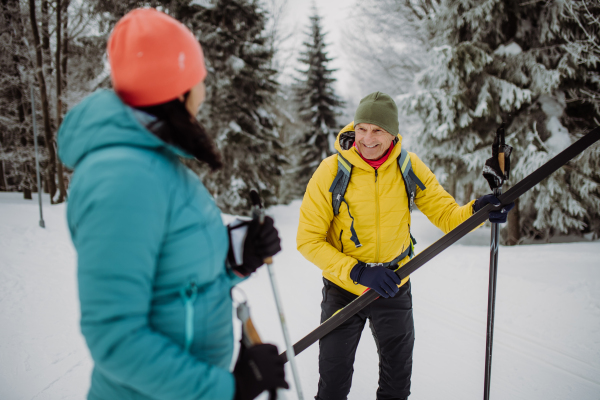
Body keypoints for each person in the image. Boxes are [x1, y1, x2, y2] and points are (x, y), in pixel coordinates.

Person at [58, 9, 287, 400]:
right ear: (177, 86)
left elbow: (176, 283)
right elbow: (115, 337)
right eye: (199, 79)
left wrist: (234, 259)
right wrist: (228, 389)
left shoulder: (158, 166)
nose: (204, 91)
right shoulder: (124, 178)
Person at [296, 92, 514, 400]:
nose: (367, 138)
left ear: (393, 134)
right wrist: (357, 272)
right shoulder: (331, 172)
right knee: (332, 386)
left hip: (394, 286)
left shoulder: (409, 168)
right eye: (362, 128)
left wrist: (480, 210)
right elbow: (308, 240)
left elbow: (448, 215)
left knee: (397, 386)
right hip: (343, 290)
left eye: (377, 130)